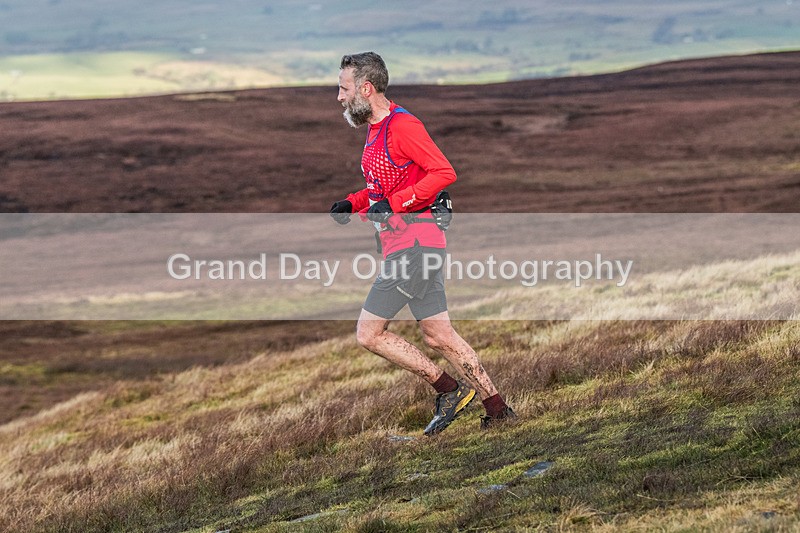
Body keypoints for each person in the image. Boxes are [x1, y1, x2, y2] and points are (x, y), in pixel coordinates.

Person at [329, 51, 516, 435]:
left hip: (415, 245)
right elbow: (382, 187)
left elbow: (443, 172)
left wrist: (394, 205)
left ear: (365, 88)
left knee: (369, 333)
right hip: (410, 245)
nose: (339, 97)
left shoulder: (403, 125)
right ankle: (497, 411)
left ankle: (449, 390)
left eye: (343, 88)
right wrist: (354, 201)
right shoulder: (375, 129)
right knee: (439, 335)